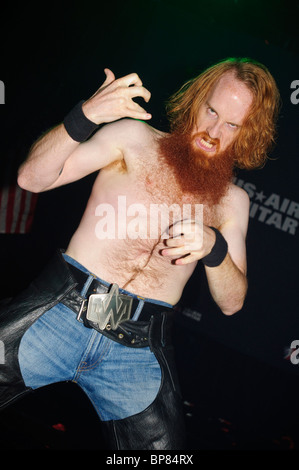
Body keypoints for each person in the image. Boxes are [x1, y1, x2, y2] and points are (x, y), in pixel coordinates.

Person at [0, 58, 280, 450]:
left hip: (137, 351)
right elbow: (31, 178)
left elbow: (232, 303)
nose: (215, 132)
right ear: (196, 100)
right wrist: (86, 114)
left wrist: (214, 248)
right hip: (57, 313)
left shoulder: (233, 202)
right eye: (212, 111)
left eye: (232, 125)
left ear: (248, 133)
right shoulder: (132, 138)